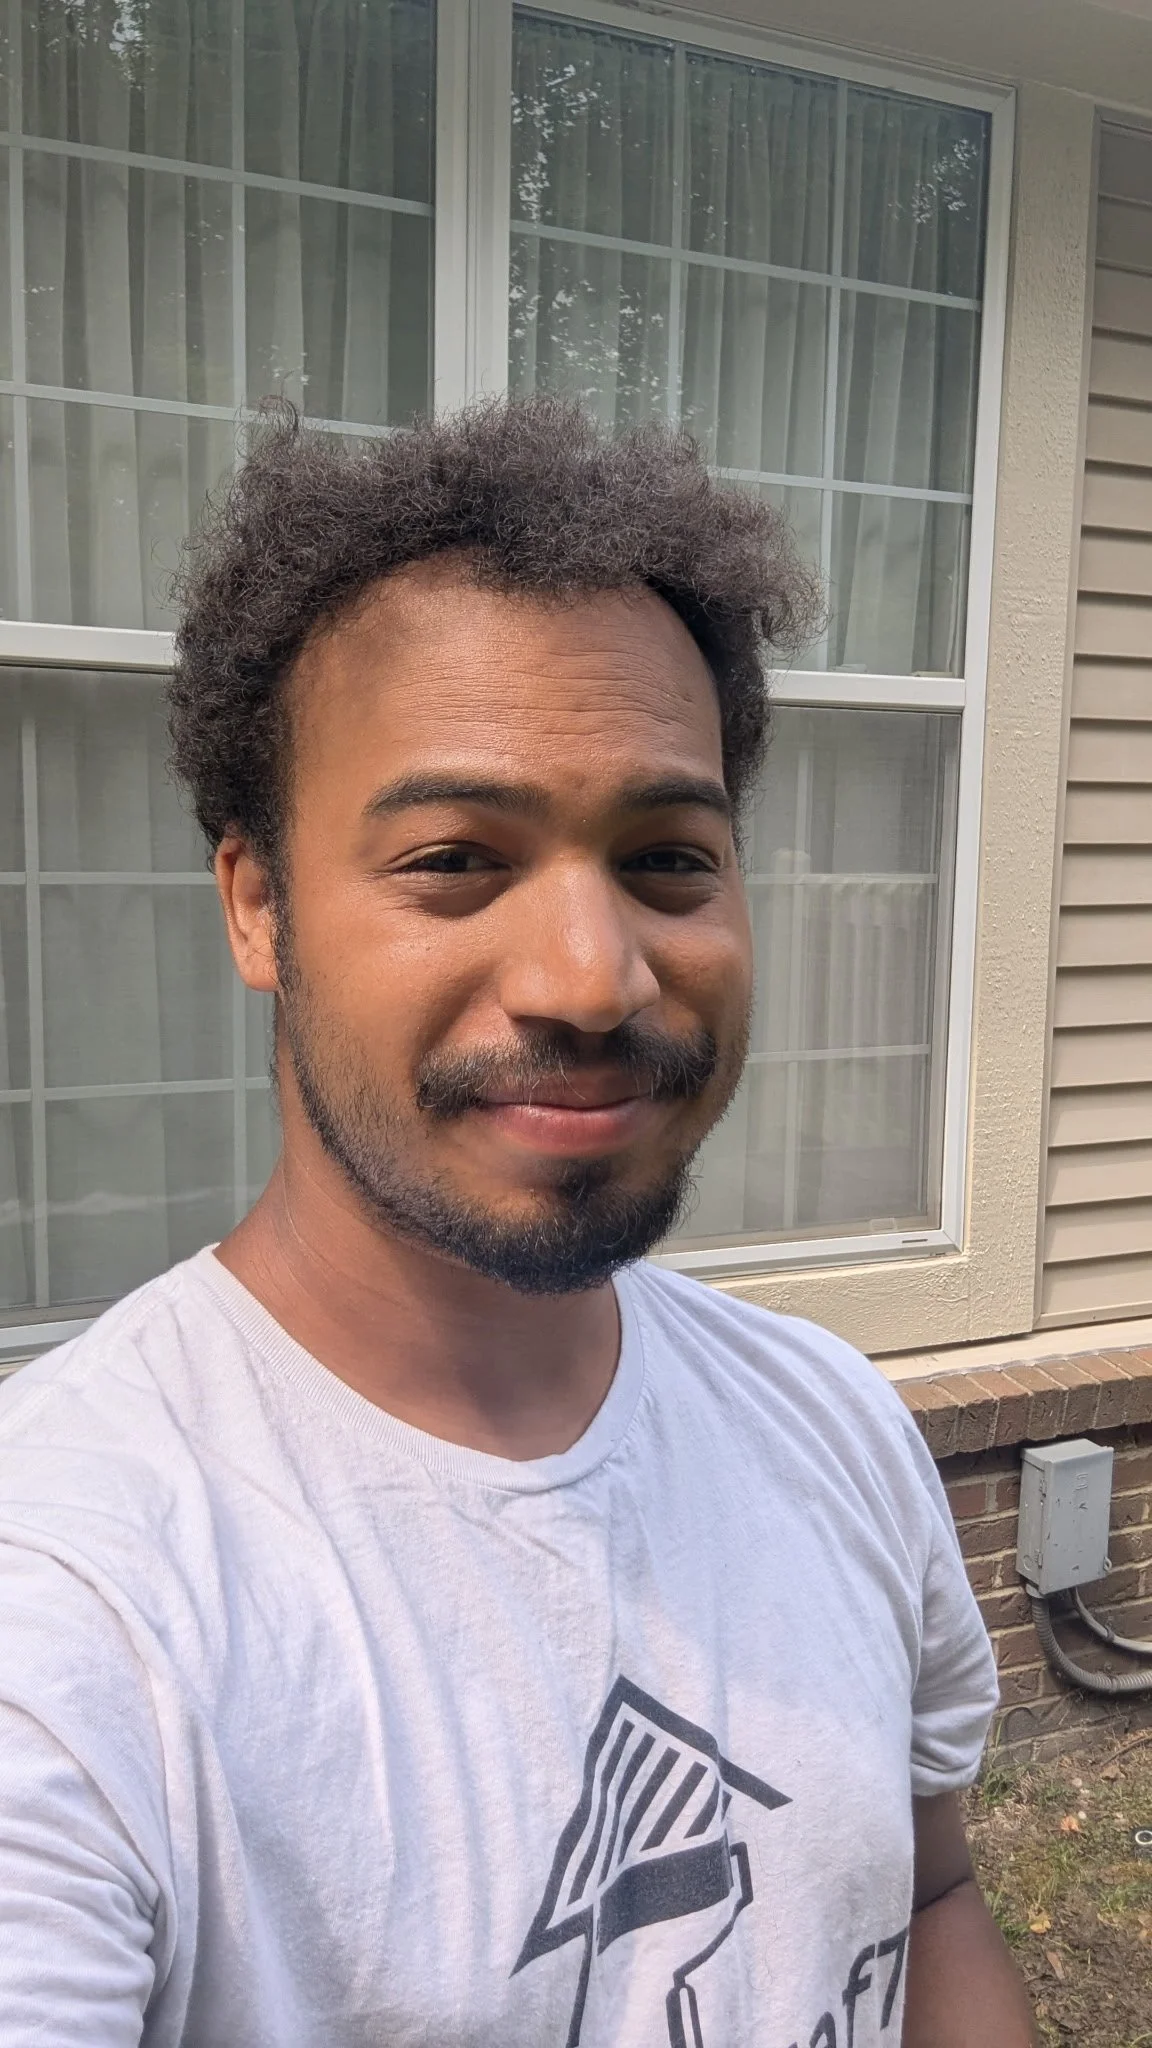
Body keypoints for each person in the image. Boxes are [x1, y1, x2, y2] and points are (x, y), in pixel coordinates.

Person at [0, 399, 1034, 2047]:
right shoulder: (71, 1600)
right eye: (457, 860)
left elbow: (925, 1900)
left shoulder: (833, 1424)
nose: (589, 977)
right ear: (257, 904)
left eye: (668, 858)